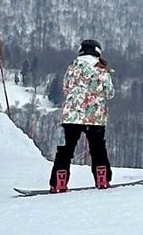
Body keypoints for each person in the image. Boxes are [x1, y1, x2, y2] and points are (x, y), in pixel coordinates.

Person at [49, 38, 116, 191]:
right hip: (95, 118)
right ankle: (102, 179)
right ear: (98, 52)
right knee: (98, 150)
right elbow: (110, 93)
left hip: (71, 116)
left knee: (65, 150)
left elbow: (66, 89)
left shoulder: (72, 68)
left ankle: (59, 182)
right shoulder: (101, 70)